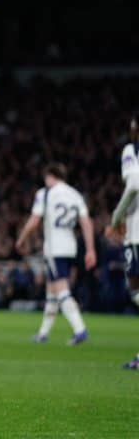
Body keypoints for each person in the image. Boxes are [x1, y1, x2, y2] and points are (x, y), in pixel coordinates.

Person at [15, 162, 96, 345]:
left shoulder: (45, 193)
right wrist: (90, 249)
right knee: (52, 291)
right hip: (70, 247)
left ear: (49, 176)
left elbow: (35, 220)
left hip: (54, 248)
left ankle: (80, 329)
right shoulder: (75, 195)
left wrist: (21, 239)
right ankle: (43, 334)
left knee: (61, 290)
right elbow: (86, 223)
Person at [104, 114, 139, 368]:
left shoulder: (131, 150)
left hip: (137, 232)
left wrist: (116, 219)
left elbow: (134, 185)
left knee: (136, 289)